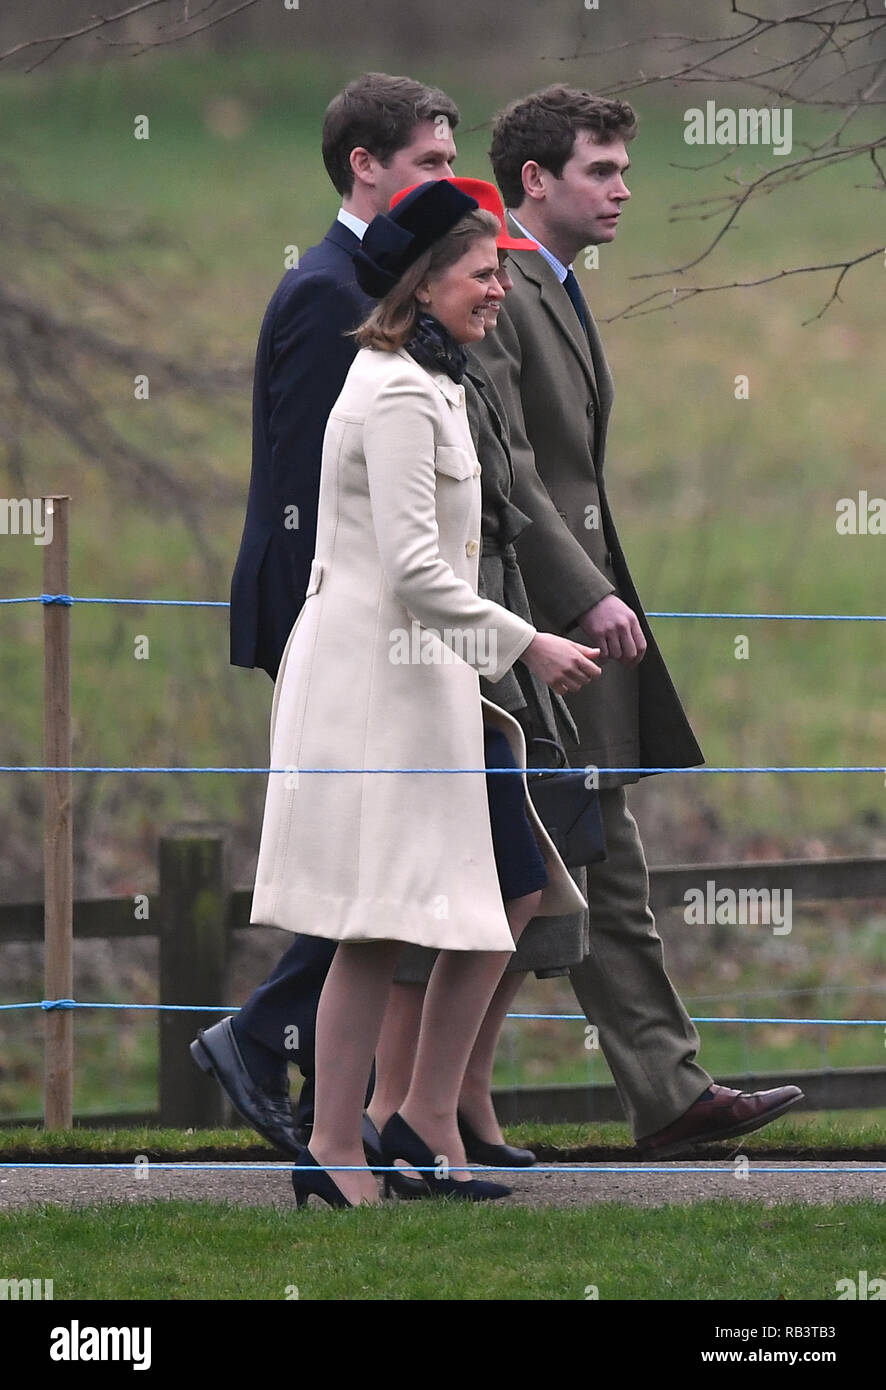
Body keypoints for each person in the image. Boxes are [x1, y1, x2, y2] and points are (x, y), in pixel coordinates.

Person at [249, 179, 600, 1206]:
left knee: (488, 892)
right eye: (483, 273)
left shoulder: (432, 379)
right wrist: (526, 642)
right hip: (379, 682)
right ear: (424, 282)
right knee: (374, 918)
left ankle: (410, 1122)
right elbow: (411, 567)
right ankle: (335, 1144)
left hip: (427, 681)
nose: (500, 288)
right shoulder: (397, 390)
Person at [470, 84, 803, 1156]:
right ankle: (341, 1070)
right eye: (599, 170)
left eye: (622, 168)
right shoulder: (497, 288)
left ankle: (668, 1092)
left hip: (571, 631)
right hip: (528, 634)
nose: (622, 189)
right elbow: (506, 470)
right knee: (520, 869)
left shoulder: (552, 283)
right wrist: (584, 591)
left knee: (601, 854)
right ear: (535, 179)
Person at [193, 74, 462, 1156]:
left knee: (371, 850)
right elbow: (312, 487)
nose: (449, 184)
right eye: (432, 165)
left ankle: (302, 1075)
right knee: (362, 851)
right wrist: (348, 632)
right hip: (330, 615)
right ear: (366, 165)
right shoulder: (326, 287)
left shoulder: (378, 275)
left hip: (363, 616)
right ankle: (267, 1042)